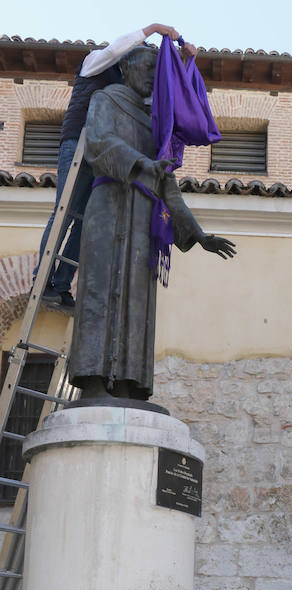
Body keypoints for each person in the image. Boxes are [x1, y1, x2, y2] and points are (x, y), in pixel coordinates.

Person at [68, 44, 235, 402]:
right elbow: (99, 143)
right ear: (126, 69)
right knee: (100, 291)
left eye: (153, 73)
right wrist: (142, 164)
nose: (149, 79)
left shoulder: (156, 123)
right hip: (109, 208)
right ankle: (93, 382)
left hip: (143, 217)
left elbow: (167, 183)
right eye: (145, 70)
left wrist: (197, 234)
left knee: (137, 299)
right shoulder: (105, 100)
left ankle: (129, 384)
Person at [34, 24, 190, 311]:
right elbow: (117, 48)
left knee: (84, 220)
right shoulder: (94, 62)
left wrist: (184, 62)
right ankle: (41, 280)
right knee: (65, 213)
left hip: (98, 155)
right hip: (77, 146)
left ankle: (61, 284)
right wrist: (153, 29)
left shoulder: (125, 85)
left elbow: (159, 99)